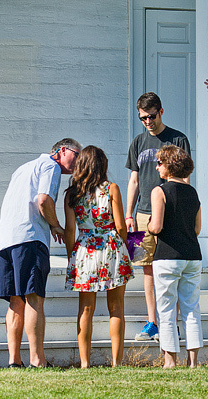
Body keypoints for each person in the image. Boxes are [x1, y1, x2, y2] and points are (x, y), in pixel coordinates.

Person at [0, 138, 81, 368]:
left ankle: (14, 361)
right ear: (62, 150)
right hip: (29, 237)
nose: (78, 161)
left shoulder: (23, 168)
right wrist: (55, 225)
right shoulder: (50, 166)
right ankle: (37, 359)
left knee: (15, 300)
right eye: (76, 155)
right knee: (34, 298)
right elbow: (43, 200)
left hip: (5, 239)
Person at [125, 92, 192, 342]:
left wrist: (182, 211)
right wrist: (127, 215)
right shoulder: (137, 142)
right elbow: (133, 180)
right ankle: (152, 322)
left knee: (170, 268)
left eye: (151, 116)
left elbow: (185, 178)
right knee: (147, 269)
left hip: (169, 213)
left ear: (161, 112)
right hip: (141, 215)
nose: (148, 122)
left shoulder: (177, 139)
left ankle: (171, 325)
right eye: (143, 118)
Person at [64, 146, 134, 368]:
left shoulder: (72, 194)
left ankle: (85, 362)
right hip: (111, 246)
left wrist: (71, 256)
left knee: (85, 309)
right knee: (116, 307)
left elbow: (69, 231)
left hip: (85, 249)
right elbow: (121, 226)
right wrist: (121, 245)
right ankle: (117, 362)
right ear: (102, 165)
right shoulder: (111, 189)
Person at [147, 144, 202, 368]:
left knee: (166, 309)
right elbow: (197, 229)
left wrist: (148, 225)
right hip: (192, 254)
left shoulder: (159, 191)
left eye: (160, 162)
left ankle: (170, 360)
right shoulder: (193, 191)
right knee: (191, 308)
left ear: (169, 166)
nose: (157, 167)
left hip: (167, 256)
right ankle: (194, 361)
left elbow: (157, 227)